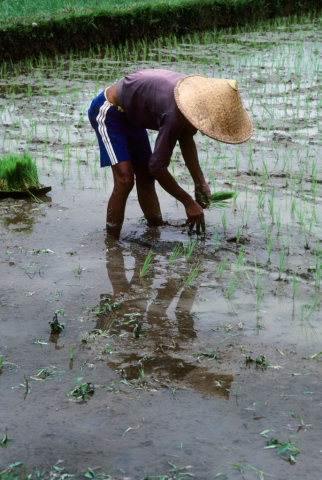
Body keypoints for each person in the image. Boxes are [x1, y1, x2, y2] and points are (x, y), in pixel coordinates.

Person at [88, 69, 253, 239]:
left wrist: (200, 182)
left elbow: (186, 139)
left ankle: (155, 229)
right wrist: (188, 202)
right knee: (125, 180)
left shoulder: (192, 101)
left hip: (133, 115)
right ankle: (112, 244)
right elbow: (157, 168)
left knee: (145, 177)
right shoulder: (175, 113)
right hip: (110, 111)